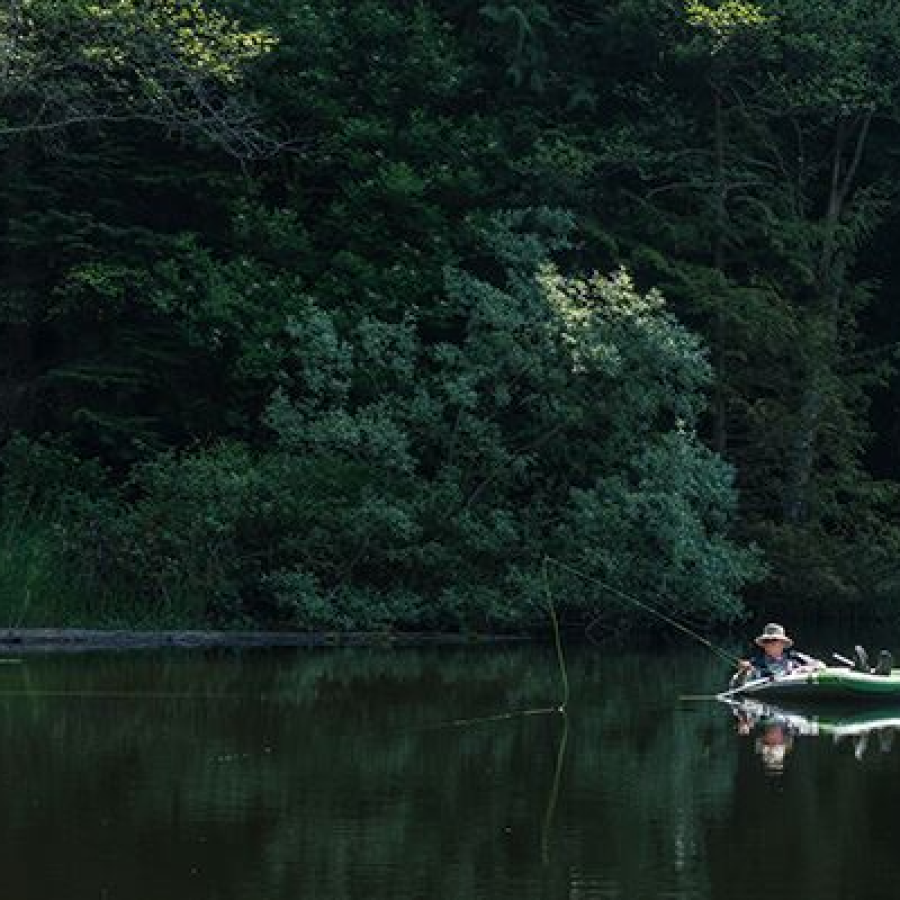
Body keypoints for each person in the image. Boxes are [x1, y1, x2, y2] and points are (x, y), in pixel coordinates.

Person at [733, 622, 823, 685]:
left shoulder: (795, 656)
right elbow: (735, 684)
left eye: (774, 640)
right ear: (763, 644)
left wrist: (802, 669)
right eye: (767, 640)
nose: (770, 643)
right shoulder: (755, 662)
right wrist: (743, 672)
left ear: (783, 643)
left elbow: (821, 665)